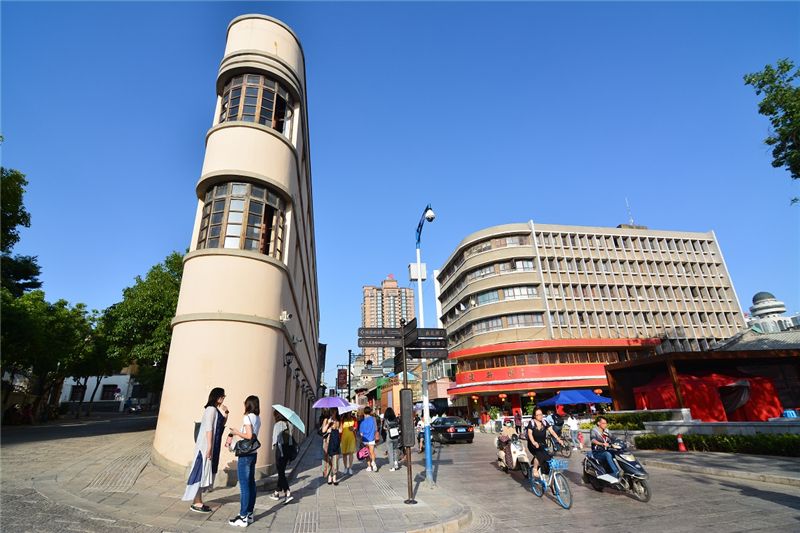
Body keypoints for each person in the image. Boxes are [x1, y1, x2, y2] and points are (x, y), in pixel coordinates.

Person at [182, 387, 227, 513]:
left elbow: (220, 425)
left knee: (204, 472)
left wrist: (226, 412)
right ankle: (196, 502)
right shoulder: (211, 409)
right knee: (200, 472)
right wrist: (209, 448)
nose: (223, 398)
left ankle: (198, 500)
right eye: (222, 396)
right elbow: (209, 429)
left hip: (210, 445)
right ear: (217, 397)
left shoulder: (214, 409)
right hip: (205, 447)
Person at [228, 395, 261, 527]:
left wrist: (236, 432)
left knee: (244, 486)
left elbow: (249, 435)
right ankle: (249, 514)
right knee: (251, 484)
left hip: (245, 455)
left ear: (248, 404)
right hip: (253, 454)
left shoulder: (247, 417)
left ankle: (242, 517)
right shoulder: (258, 418)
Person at [526, 408, 566, 480]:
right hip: (533, 444)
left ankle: (545, 476)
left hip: (542, 443)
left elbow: (552, 431)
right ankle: (535, 469)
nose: (540, 416)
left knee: (548, 458)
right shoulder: (531, 423)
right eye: (538, 415)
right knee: (539, 454)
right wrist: (534, 442)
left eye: (541, 414)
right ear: (534, 416)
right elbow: (530, 434)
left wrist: (558, 439)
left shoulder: (544, 422)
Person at [269, 409, 294, 505]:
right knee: (281, 471)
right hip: (288, 450)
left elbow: (275, 439)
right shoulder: (290, 424)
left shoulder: (278, 425)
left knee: (281, 472)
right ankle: (276, 493)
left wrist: (273, 447)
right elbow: (291, 439)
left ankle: (287, 492)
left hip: (280, 450)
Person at [590, 416, 621, 483]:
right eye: (603, 423)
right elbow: (593, 440)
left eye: (606, 423)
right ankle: (616, 472)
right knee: (607, 454)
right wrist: (602, 444)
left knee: (619, 453)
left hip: (606, 450)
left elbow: (613, 437)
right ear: (598, 423)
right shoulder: (594, 430)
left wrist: (620, 441)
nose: (605, 425)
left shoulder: (606, 431)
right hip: (597, 452)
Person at [322, 411, 341, 485]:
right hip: (328, 442)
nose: (333, 412)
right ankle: (329, 476)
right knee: (328, 459)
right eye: (332, 410)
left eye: (334, 410)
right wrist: (328, 425)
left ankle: (334, 476)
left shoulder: (338, 420)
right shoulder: (326, 420)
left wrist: (338, 429)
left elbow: (340, 430)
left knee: (335, 459)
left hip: (336, 441)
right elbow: (323, 430)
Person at [358, 406, 378, 471]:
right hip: (371, 437)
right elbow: (376, 429)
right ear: (370, 412)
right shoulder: (373, 419)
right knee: (372, 452)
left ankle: (369, 467)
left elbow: (361, 433)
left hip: (365, 439)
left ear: (364, 412)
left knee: (366, 453)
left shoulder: (362, 421)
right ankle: (373, 463)